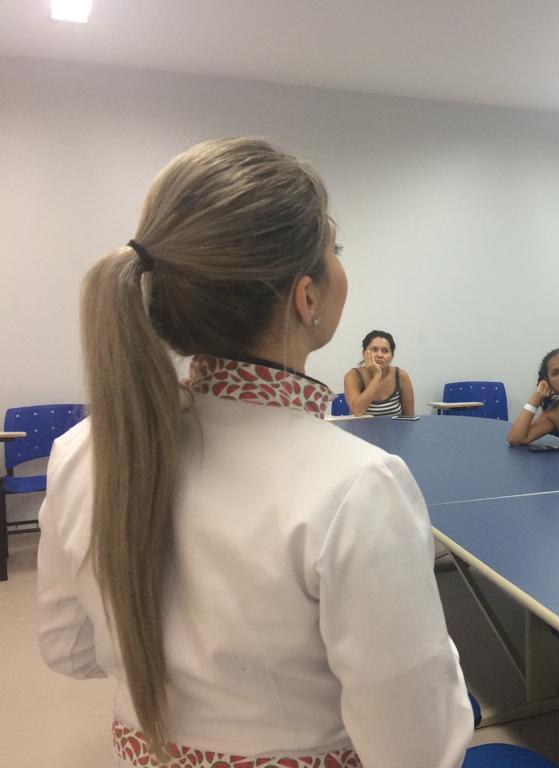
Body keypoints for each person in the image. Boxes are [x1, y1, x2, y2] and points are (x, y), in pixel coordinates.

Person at [36, 138, 472, 768]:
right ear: (306, 297)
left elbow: (69, 650)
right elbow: (420, 751)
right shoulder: (357, 484)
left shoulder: (82, 452)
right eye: (337, 250)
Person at [343, 330, 415, 416]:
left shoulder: (401, 376)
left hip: (394, 425)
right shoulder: (353, 376)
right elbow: (357, 411)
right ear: (364, 353)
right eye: (374, 350)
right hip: (360, 425)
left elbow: (409, 417)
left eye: (385, 351)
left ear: (392, 356)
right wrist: (377, 376)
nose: (380, 355)